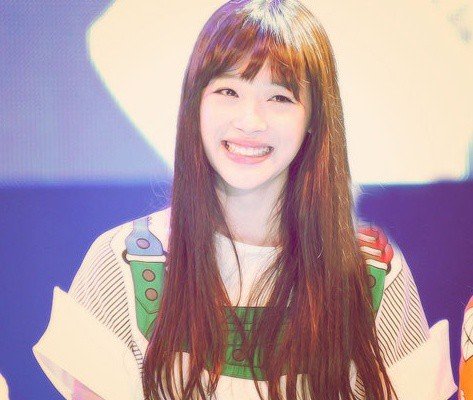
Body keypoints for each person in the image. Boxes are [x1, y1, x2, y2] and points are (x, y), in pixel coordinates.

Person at [32, 0, 457, 399]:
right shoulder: (122, 263)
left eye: (279, 98)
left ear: (314, 118)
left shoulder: (371, 274)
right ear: (195, 104)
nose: (250, 121)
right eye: (228, 92)